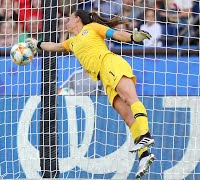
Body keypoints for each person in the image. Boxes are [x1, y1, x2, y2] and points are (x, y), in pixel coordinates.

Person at [26, 9, 155, 179]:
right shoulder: (72, 42)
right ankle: (145, 156)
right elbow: (55, 46)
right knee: (128, 117)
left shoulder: (93, 28)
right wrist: (37, 44)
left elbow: (115, 34)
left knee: (131, 99)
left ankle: (145, 135)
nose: (66, 22)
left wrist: (132, 37)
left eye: (69, 18)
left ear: (78, 19)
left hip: (111, 63)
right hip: (103, 78)